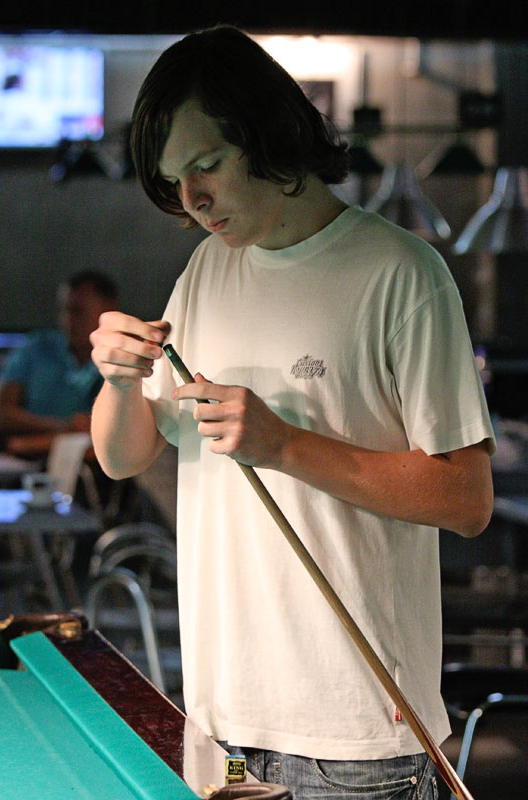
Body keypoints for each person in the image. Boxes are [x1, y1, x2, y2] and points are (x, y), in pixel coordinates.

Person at [89, 26, 495, 800]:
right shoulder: (208, 268)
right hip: (220, 720)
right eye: (174, 181)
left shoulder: (400, 274)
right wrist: (116, 381)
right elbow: (122, 455)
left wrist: (283, 444)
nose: (192, 199)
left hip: (353, 741)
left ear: (267, 134)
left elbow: (466, 498)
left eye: (205, 165)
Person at [0, 270, 118, 440]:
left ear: (108, 310)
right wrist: (62, 427)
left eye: (78, 311)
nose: (68, 320)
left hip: (95, 454)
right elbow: (1, 412)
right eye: (64, 310)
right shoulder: (35, 347)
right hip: (29, 453)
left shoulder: (124, 359)